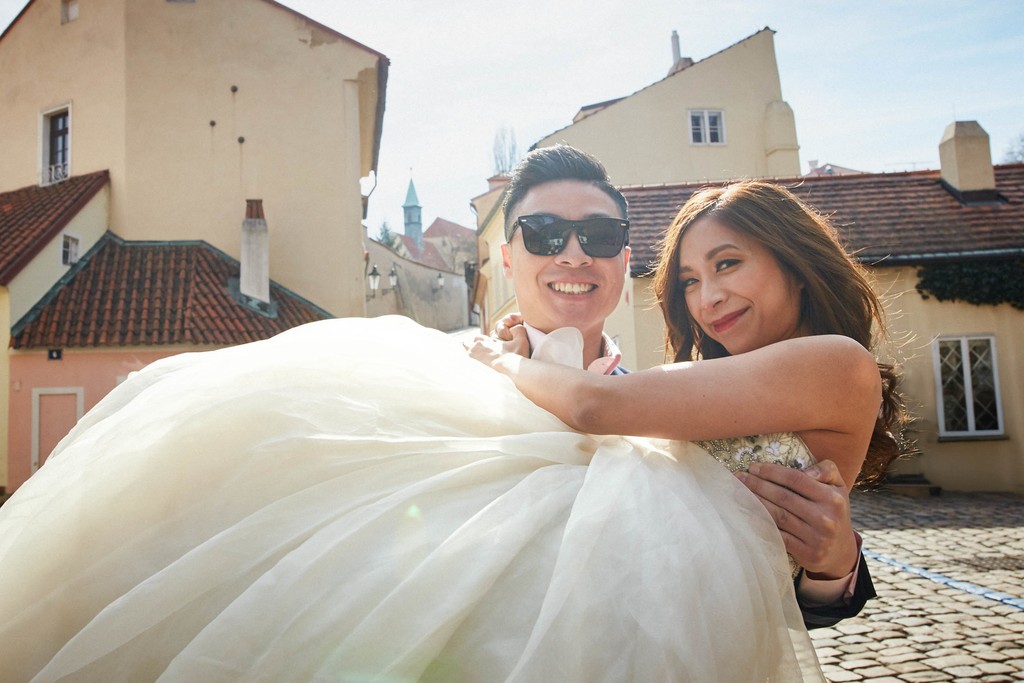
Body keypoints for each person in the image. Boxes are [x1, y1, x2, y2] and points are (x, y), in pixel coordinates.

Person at [0, 159, 829, 682]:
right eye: (543, 233)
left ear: (623, 259)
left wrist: (833, 565)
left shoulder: (676, 404)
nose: (572, 253)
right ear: (506, 259)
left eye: (599, 234)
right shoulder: (413, 379)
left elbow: (754, 569)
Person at [492, 144, 879, 627]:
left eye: (727, 263)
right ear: (508, 259)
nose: (709, 298)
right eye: (690, 280)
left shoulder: (641, 403)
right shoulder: (448, 385)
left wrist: (833, 570)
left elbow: (762, 598)